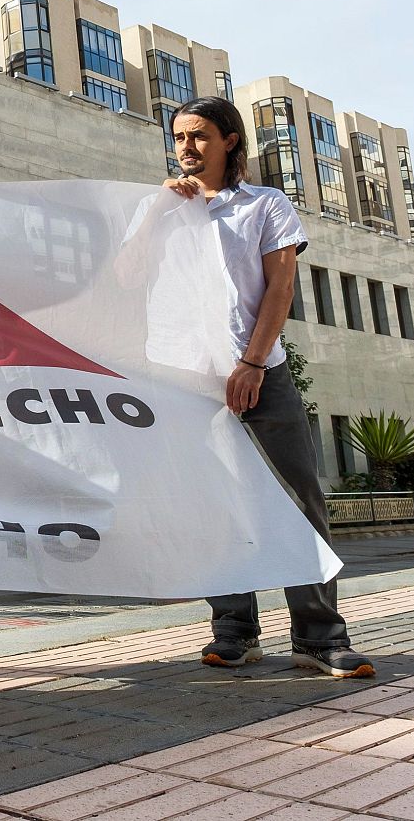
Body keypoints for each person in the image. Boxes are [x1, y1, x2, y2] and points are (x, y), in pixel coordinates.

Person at [161, 96, 373, 679]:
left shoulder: (265, 205)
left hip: (261, 372)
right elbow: (131, 281)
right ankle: (234, 631)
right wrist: (161, 212)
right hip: (193, 380)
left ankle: (319, 637)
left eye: (199, 136)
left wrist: (253, 364)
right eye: (179, 137)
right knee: (217, 505)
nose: (185, 148)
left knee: (297, 501)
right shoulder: (167, 209)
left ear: (230, 140)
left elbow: (280, 289)